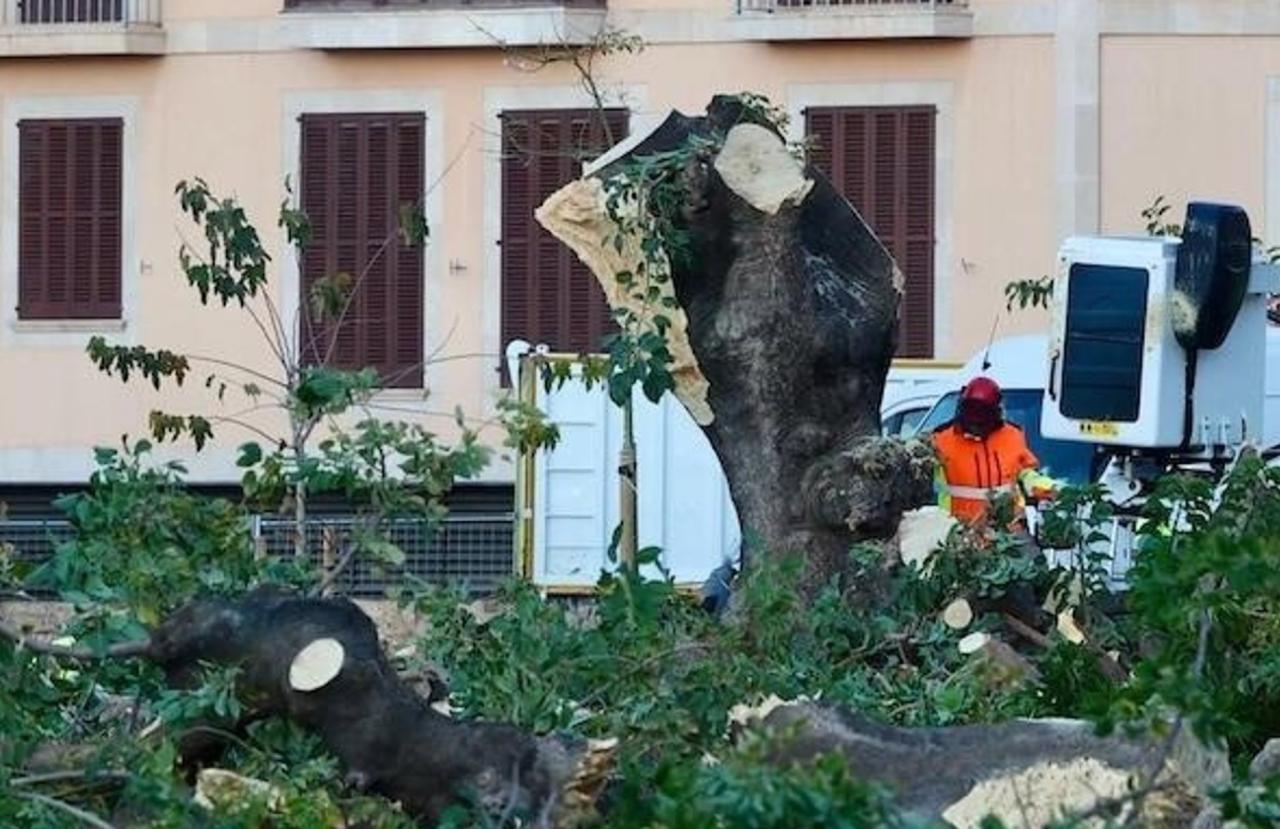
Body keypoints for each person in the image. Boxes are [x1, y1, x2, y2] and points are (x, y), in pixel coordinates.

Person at [932, 376, 1058, 526]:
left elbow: (1026, 475)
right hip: (959, 531)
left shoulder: (1012, 435)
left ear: (995, 414)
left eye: (982, 415)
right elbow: (925, 484)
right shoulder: (940, 440)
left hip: (1009, 530)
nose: (976, 422)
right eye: (972, 412)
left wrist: (1052, 489)